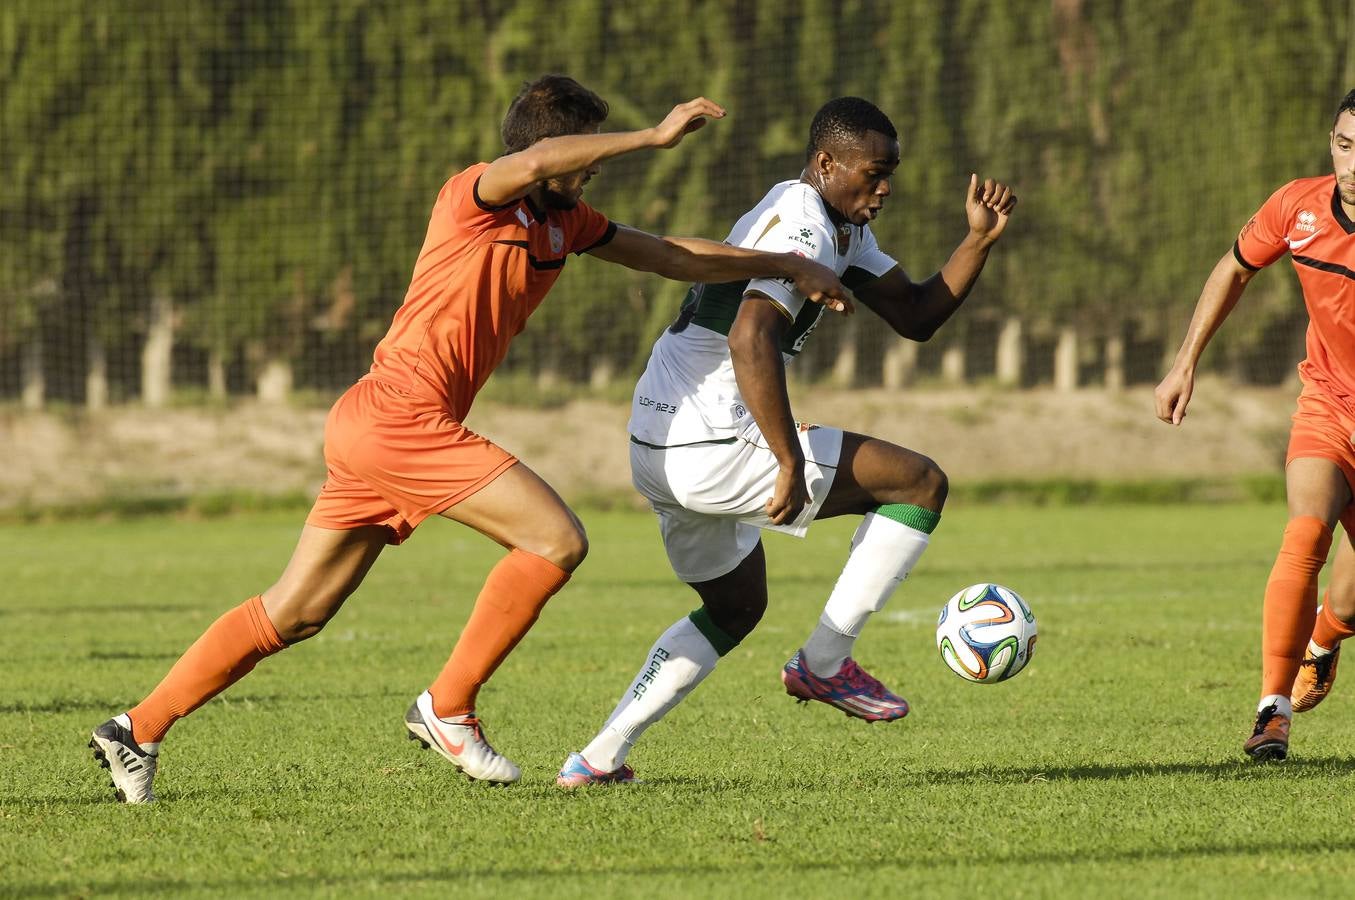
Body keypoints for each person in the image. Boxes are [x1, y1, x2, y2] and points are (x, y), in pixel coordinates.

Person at [88, 75, 855, 802]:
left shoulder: (566, 223)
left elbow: (669, 255)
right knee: (556, 540)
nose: (588, 174)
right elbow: (533, 162)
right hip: (398, 417)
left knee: (296, 612)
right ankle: (448, 706)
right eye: (582, 156)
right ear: (556, 153)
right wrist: (650, 138)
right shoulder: (475, 196)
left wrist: (782, 262)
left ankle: (137, 729)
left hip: (380, 425)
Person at [554, 96, 1016, 786]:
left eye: (890, 173)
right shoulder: (804, 225)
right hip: (709, 442)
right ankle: (823, 665)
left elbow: (916, 315)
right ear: (827, 164)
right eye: (873, 172)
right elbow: (750, 337)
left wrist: (976, 240)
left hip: (655, 443)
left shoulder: (835, 223)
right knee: (917, 484)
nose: (884, 187)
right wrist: (787, 459)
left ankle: (596, 759)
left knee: (735, 608)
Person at [1155, 89, 1355, 761]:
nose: (1352, 165)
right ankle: (1270, 712)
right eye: (1343, 145)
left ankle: (1322, 638)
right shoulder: (1296, 206)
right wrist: (1185, 361)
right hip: (1327, 405)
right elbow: (1233, 268)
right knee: (1304, 531)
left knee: (1349, 604)